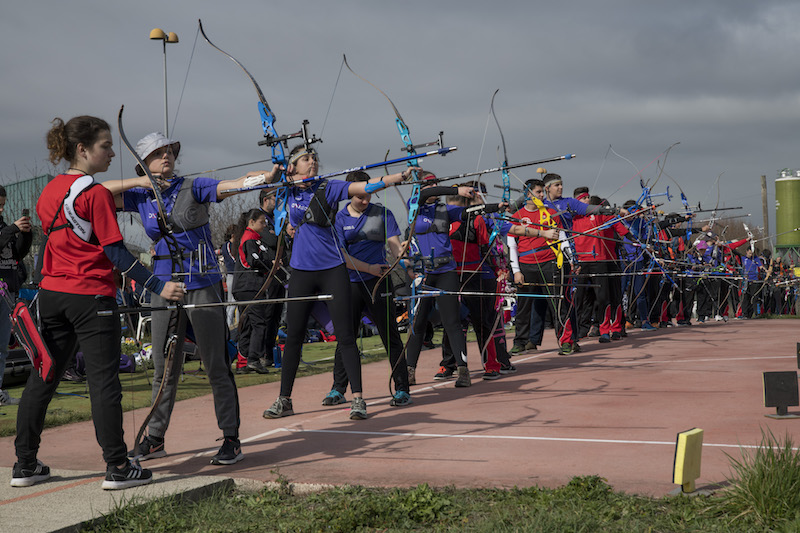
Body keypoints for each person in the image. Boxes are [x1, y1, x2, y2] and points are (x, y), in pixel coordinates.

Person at [12, 116, 184, 490]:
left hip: (53, 296)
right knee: (104, 382)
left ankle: (25, 464)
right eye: (106, 146)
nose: (111, 153)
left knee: (43, 377)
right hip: (90, 296)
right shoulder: (94, 193)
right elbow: (116, 253)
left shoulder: (49, 191)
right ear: (82, 149)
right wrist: (160, 285)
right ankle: (118, 466)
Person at [103, 132, 275, 465]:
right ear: (143, 163)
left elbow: (232, 185)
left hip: (202, 281)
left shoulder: (193, 187)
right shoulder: (140, 195)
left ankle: (231, 438)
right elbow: (96, 194)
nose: (166, 156)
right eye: (157, 153)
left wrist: (265, 178)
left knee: (215, 364)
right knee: (163, 367)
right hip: (163, 285)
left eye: (169, 151)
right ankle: (155, 439)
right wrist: (140, 181)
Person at [262, 145, 415, 420]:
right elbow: (263, 186)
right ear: (293, 166)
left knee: (346, 336)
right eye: (306, 159)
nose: (313, 162)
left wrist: (398, 177)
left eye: (315, 158)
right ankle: (284, 399)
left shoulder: (328, 188)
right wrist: (276, 172)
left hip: (332, 268)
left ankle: (358, 399)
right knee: (294, 336)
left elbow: (366, 185)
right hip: (301, 270)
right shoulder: (288, 190)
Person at [326, 170, 410, 406]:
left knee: (390, 334)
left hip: (379, 283)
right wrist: (368, 268)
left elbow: (395, 247)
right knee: (346, 337)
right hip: (351, 283)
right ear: (349, 193)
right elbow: (341, 255)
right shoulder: (339, 218)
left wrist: (404, 256)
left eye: (368, 196)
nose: (364, 200)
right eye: (360, 196)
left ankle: (402, 388)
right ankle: (338, 389)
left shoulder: (383, 213)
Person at [0, 187, 32, 405]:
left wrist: (26, 235)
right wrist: (12, 229)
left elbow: (18, 254)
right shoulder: (7, 229)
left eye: (3, 204)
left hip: (7, 292)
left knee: (2, 347)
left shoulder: (5, 228)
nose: (1, 209)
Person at [231, 209, 274, 374]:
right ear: (252, 222)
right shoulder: (250, 238)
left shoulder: (252, 238)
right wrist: (270, 264)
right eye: (262, 222)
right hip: (249, 286)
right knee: (259, 323)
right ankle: (254, 359)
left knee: (247, 324)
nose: (264, 225)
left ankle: (243, 362)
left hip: (244, 286)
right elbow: (253, 261)